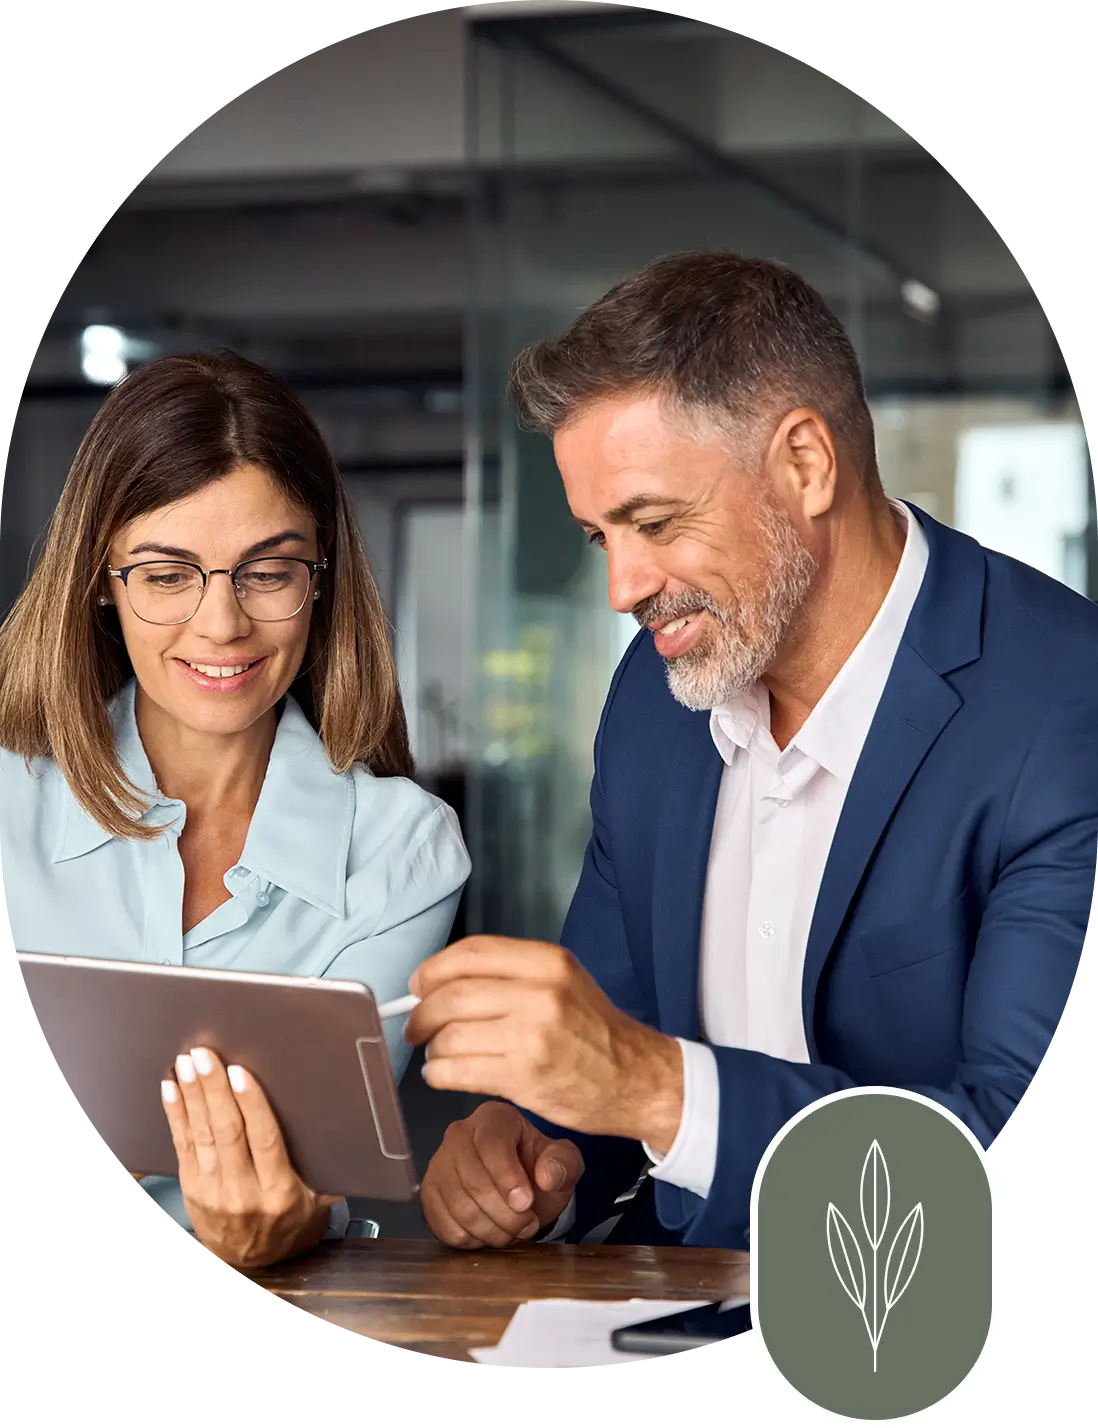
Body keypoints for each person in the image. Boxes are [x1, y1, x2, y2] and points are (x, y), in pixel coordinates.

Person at [408, 250, 1098, 1252]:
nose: (623, 588)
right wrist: (527, 1152)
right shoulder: (657, 697)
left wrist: (651, 1087)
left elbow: (1026, 1165)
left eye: (654, 521)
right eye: (602, 536)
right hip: (671, 1328)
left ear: (806, 464)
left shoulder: (1062, 711)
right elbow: (611, 1050)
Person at [0, 350, 470, 1269]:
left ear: (321, 577)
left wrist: (279, 1225)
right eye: (168, 574)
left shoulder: (402, 854)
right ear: (102, 578)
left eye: (268, 572)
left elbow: (312, 1176)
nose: (221, 626)